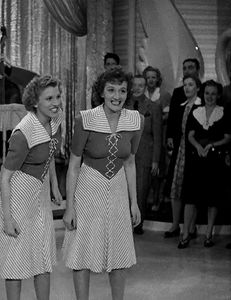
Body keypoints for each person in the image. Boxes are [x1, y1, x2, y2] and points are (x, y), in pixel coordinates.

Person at [62, 68, 143, 300]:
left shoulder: (136, 120)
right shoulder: (85, 119)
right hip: (88, 189)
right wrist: (70, 207)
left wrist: (134, 202)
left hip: (118, 190)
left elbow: (130, 162)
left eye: (122, 90)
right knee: (83, 251)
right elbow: (74, 164)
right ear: (101, 92)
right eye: (111, 90)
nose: (117, 96)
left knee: (118, 252)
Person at [0, 75, 64, 300]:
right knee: (16, 260)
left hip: (39, 194)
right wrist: (7, 218)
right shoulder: (23, 133)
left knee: (42, 257)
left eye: (58, 97)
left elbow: (50, 153)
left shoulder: (56, 121)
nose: (55, 103)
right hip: (18, 196)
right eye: (48, 98)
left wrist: (55, 186)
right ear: (35, 102)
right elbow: (5, 177)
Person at [179, 80, 231, 249]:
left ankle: (208, 234)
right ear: (203, 94)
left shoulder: (224, 113)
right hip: (197, 159)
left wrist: (212, 145)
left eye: (213, 94)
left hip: (215, 161)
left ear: (218, 95)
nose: (210, 96)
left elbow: (228, 137)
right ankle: (185, 234)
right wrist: (199, 147)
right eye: (207, 93)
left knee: (212, 199)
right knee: (190, 197)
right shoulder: (196, 111)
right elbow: (190, 135)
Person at [164, 59, 202, 238]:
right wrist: (170, 138)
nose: (187, 87)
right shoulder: (179, 100)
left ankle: (190, 228)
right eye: (185, 84)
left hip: (194, 151)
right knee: (176, 186)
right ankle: (175, 225)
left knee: (191, 189)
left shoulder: (202, 104)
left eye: (190, 84)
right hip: (180, 150)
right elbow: (172, 119)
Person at [127, 75, 162, 235]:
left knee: (141, 190)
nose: (137, 88)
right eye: (135, 85)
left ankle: (137, 224)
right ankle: (123, 223)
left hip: (145, 154)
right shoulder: (122, 104)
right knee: (124, 190)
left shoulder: (153, 107)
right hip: (124, 154)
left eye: (141, 85)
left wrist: (155, 160)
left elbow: (158, 136)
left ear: (145, 87)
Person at [143, 66, 172, 212]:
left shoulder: (164, 95)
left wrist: (155, 119)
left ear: (158, 79)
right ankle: (144, 200)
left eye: (153, 77)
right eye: (148, 77)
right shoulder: (140, 95)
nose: (151, 80)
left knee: (157, 171)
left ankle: (156, 199)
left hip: (159, 136)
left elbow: (168, 116)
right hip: (144, 138)